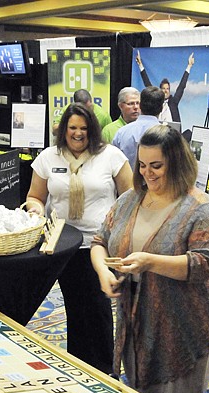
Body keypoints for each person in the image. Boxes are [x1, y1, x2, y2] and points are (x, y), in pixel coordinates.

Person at [90, 124, 209, 393]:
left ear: (176, 163)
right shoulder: (129, 199)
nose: (147, 173)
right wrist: (103, 271)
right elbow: (99, 241)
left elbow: (204, 264)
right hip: (136, 317)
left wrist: (150, 262)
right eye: (142, 165)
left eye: (156, 166)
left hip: (181, 324)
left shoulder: (200, 208)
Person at [26, 103, 133, 374]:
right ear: (64, 130)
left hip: (100, 245)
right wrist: (36, 210)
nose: (78, 133)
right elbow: (35, 196)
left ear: (92, 130)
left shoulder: (111, 156)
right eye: (72, 128)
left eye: (84, 128)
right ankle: (78, 365)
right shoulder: (48, 158)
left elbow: (130, 198)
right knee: (75, 307)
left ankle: (105, 367)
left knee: (98, 307)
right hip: (62, 245)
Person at [136, 51, 194, 123]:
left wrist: (189, 66)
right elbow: (147, 84)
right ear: (160, 90)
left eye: (167, 89)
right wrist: (140, 65)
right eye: (163, 88)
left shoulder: (174, 101)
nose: (166, 91)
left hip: (173, 132)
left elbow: (181, 86)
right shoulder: (156, 101)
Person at [112, 86, 163, 165]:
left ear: (140, 105)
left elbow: (112, 163)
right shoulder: (167, 135)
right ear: (162, 108)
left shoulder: (121, 133)